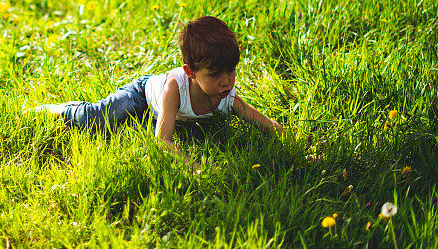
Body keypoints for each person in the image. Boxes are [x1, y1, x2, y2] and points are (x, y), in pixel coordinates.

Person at [39, 16, 283, 169]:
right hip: (143, 95)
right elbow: (163, 140)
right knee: (100, 118)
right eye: (215, 74)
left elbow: (270, 125)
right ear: (191, 72)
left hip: (166, 114)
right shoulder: (175, 87)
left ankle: (143, 122)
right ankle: (62, 109)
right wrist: (192, 164)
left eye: (231, 71)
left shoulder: (227, 97)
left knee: (130, 133)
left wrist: (301, 151)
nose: (226, 82)